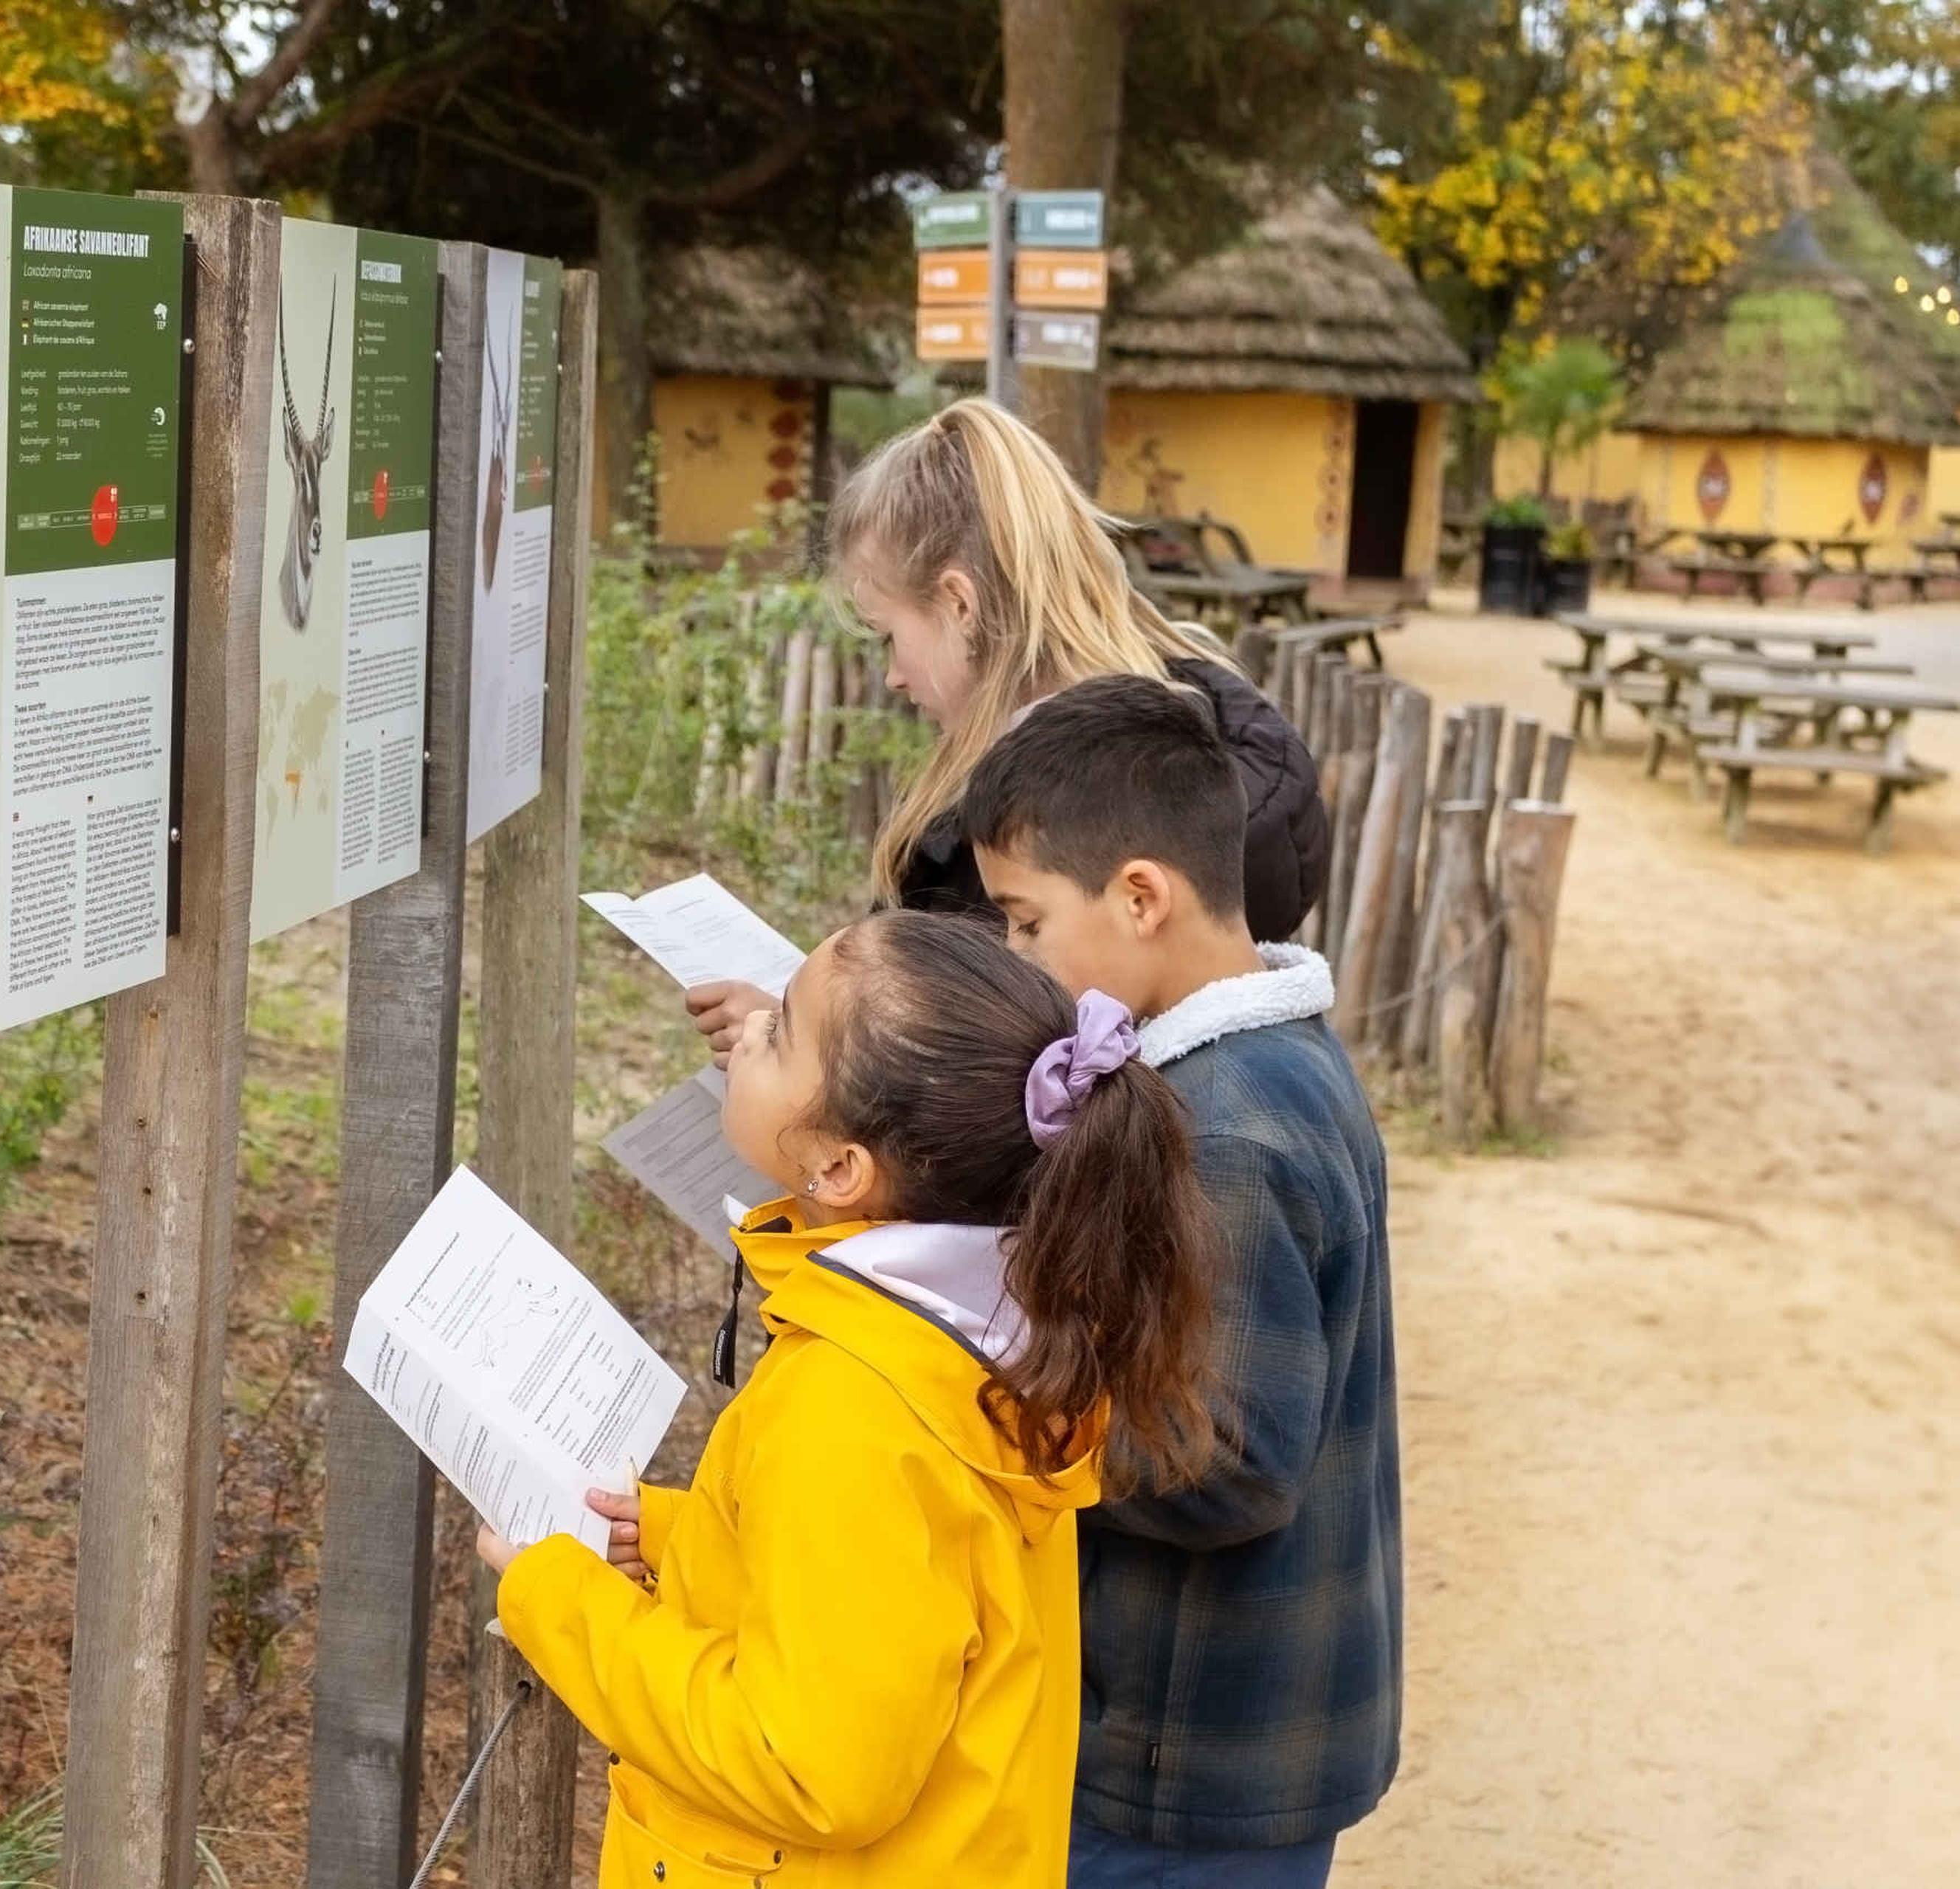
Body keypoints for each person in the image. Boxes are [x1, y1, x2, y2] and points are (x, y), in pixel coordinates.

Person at [477, 911, 1220, 1888]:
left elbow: (808, 1768)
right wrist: (673, 1534)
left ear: (838, 1168)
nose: (747, 1033)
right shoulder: (994, 1328)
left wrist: (559, 1596)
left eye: (781, 1030)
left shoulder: (852, 1400)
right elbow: (905, 1594)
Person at [957, 671, 1401, 1889]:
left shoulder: (1220, 1136)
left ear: (1141, 895)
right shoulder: (1271, 1059)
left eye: (1027, 922)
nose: (1017, 956)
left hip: (1187, 1753)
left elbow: (1226, 1462)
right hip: (1227, 1727)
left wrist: (996, 1425)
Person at [684, 398, 1324, 1060]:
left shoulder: (1044, 841)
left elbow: (977, 1104)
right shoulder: (1217, 770)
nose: (892, 677)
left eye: (888, 636)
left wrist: (806, 1049)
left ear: (960, 604)